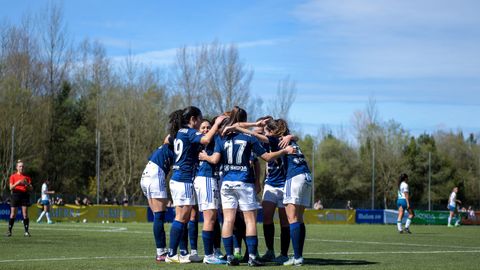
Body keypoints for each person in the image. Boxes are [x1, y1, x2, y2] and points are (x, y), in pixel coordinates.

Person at [200, 106, 295, 266]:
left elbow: (215, 158)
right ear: (243, 121)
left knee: (228, 220)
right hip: (243, 181)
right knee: (250, 220)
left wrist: (205, 156)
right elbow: (267, 157)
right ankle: (252, 256)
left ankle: (229, 256)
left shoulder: (221, 137)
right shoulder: (249, 139)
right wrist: (284, 151)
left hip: (226, 183)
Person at [165, 106, 226, 264]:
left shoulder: (179, 132)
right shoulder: (189, 131)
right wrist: (216, 124)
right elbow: (205, 139)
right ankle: (171, 254)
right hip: (183, 179)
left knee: (183, 218)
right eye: (199, 119)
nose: (200, 123)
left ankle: (178, 253)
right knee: (181, 217)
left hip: (178, 177)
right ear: (193, 119)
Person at [229, 117, 294, 264]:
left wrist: (290, 136)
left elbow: (254, 135)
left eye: (265, 129)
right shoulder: (264, 144)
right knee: (267, 218)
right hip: (271, 184)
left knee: (285, 221)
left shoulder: (278, 140)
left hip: (284, 184)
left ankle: (284, 253)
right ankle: (270, 251)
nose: (262, 131)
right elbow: (263, 162)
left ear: (271, 130)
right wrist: (263, 180)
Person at [191, 119, 226, 264]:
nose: (205, 129)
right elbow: (215, 159)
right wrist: (208, 158)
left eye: (208, 127)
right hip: (206, 179)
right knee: (210, 218)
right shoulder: (214, 138)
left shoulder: (200, 141)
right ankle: (208, 255)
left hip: (204, 179)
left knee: (211, 217)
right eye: (203, 127)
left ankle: (211, 252)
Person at [140, 130, 175, 263]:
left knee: (157, 215)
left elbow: (166, 139)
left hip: (146, 174)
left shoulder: (167, 145)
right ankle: (161, 252)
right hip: (156, 173)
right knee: (159, 215)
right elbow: (168, 138)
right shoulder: (178, 139)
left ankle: (161, 251)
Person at [6, 160, 33, 237]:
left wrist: (26, 184)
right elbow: (11, 187)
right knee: (13, 214)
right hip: (15, 195)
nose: (22, 168)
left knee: (25, 214)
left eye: (23, 166)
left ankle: (26, 232)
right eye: (20, 166)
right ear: (17, 167)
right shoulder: (13, 176)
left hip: (24, 195)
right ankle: (9, 231)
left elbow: (31, 189)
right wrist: (18, 183)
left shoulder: (27, 177)